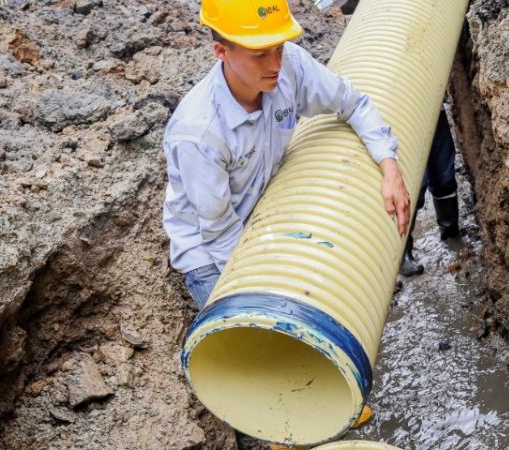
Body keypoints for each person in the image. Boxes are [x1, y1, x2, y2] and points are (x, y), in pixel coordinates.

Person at [162, 0, 410, 310]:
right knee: (258, 343)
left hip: (263, 215)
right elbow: (219, 231)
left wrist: (389, 167)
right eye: (259, 55)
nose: (275, 64)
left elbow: (354, 104)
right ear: (222, 52)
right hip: (210, 254)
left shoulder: (289, 65)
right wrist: (266, 289)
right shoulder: (199, 133)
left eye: (278, 47)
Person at [316, 0, 462, 278]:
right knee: (410, 180)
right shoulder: (363, 25)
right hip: (388, 97)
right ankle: (402, 251)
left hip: (422, 80)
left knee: (443, 166)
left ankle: (450, 231)